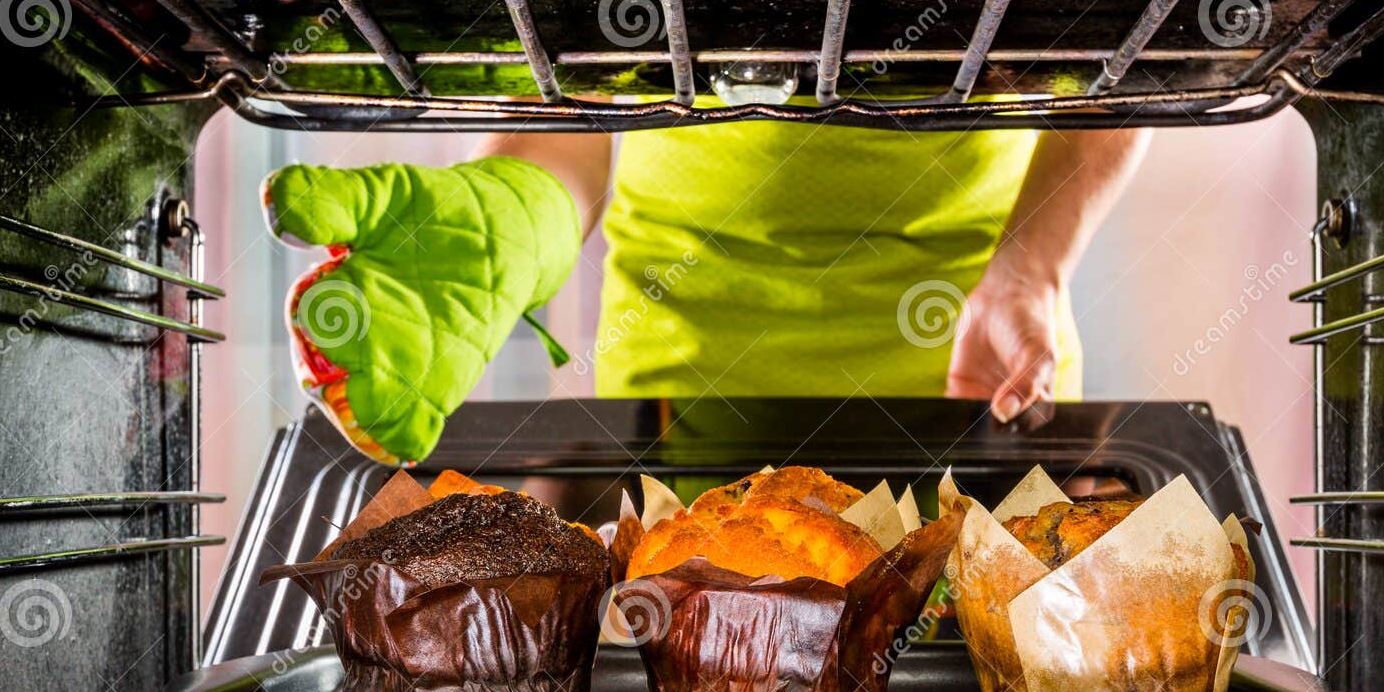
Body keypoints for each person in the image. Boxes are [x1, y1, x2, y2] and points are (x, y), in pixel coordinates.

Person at [266, 119, 1148, 465]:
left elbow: (1133, 45)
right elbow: (569, 126)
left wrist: (1031, 263)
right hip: (677, 412)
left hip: (979, 376)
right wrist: (504, 222)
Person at [479, 122, 1149, 422]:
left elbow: (1126, 30)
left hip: (981, 357)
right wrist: (495, 233)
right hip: (687, 379)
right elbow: (560, 125)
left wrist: (1029, 268)